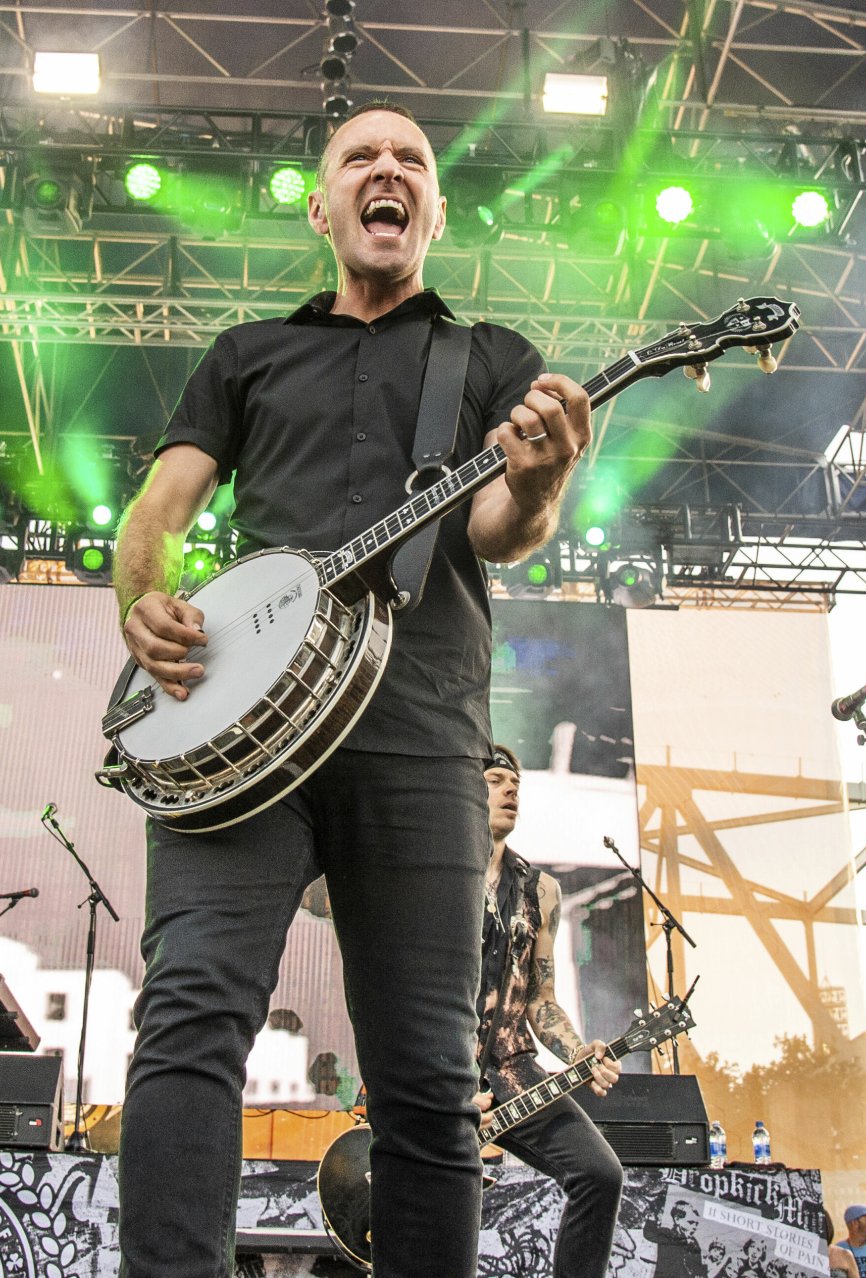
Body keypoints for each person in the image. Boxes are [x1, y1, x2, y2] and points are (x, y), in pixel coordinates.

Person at [113, 97, 592, 1278]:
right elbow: (157, 516)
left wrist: (540, 482)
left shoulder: (490, 360)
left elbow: (495, 522)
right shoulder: (247, 354)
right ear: (323, 206)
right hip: (240, 733)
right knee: (188, 1022)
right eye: (360, 158)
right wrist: (144, 604)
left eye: (412, 161)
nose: (389, 171)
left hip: (422, 732)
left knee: (429, 1075)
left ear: (433, 209)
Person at [474, 744, 625, 1278]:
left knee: (600, 1175)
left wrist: (577, 1049)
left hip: (513, 1067)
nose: (511, 789)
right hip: (445, 1071)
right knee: (443, 1204)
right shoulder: (439, 877)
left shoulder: (541, 890)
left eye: (515, 783)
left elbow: (540, 998)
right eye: (495, 780)